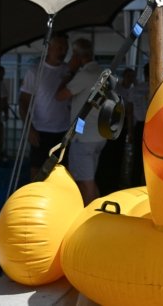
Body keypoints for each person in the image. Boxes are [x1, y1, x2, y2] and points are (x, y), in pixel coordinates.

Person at [56, 38, 105, 206]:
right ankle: (97, 211)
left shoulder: (84, 75)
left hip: (83, 137)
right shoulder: (101, 71)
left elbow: (60, 95)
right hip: (99, 135)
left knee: (85, 182)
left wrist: (69, 71)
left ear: (76, 56)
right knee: (90, 178)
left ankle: (89, 219)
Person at [19, 33, 71, 179]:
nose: (63, 51)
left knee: (61, 172)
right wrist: (29, 129)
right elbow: (23, 101)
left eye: (66, 48)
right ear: (49, 47)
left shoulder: (68, 70)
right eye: (59, 47)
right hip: (40, 130)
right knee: (37, 171)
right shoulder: (35, 71)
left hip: (64, 131)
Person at [95, 67, 136, 196]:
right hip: (109, 123)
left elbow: (129, 113)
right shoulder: (116, 88)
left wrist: (129, 131)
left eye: (132, 77)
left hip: (121, 126)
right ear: (124, 76)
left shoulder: (131, 91)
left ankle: (113, 183)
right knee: (107, 154)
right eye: (129, 76)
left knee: (117, 156)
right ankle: (103, 181)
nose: (131, 79)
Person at [128, 63, 150, 186]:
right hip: (153, 126)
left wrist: (130, 131)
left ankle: (135, 185)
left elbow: (130, 112)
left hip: (139, 126)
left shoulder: (134, 89)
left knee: (137, 158)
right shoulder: (159, 87)